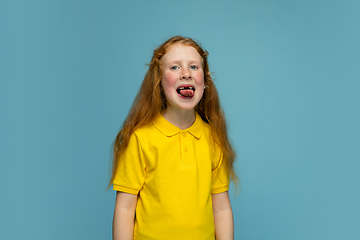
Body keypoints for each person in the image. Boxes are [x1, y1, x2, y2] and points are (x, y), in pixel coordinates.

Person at [109, 36, 238, 240]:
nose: (186, 73)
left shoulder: (213, 138)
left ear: (205, 81)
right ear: (158, 83)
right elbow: (125, 208)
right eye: (175, 67)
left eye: (194, 67)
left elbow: (221, 208)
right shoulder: (140, 139)